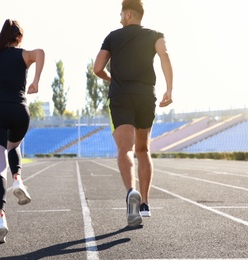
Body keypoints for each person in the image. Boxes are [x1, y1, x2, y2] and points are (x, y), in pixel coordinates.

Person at [93, 0, 173, 227]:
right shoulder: (156, 35)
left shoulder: (112, 37)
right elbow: (165, 56)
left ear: (128, 14)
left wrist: (112, 79)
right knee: (143, 149)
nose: (119, 17)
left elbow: (97, 68)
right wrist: (169, 88)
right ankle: (145, 203)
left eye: (120, 13)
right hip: (146, 96)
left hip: (121, 96)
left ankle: (131, 192)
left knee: (125, 148)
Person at [0, 19, 45, 243]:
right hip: (19, 110)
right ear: (18, 38)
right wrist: (35, 81)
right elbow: (41, 53)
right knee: (13, 145)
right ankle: (17, 178)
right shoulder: (24, 55)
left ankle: (0, 218)